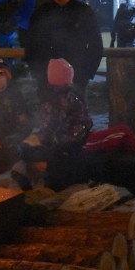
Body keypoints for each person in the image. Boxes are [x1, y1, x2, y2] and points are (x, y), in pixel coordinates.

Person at [25, 0, 103, 98]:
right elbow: (31, 45)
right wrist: (38, 72)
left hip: (77, 79)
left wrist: (85, 74)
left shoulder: (84, 12)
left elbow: (96, 45)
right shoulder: (41, 13)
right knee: (46, 117)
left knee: (77, 116)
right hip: (46, 80)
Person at [23, 58, 93, 190]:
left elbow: (52, 126)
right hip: (74, 142)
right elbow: (85, 121)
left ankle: (45, 182)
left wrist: (40, 137)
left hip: (63, 144)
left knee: (27, 151)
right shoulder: (74, 96)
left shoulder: (56, 100)